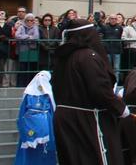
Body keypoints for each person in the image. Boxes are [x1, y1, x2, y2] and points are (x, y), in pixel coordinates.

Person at [53, 19, 129, 165]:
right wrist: (120, 108)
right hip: (86, 118)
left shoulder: (63, 57)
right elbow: (99, 89)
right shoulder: (87, 56)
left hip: (65, 117)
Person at [15, 70, 57, 165]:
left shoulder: (28, 93)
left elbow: (22, 111)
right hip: (45, 123)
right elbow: (53, 109)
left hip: (31, 124)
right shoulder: (48, 93)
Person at [15, 13, 40, 87]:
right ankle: (21, 85)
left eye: (31, 20)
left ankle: (30, 85)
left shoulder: (35, 27)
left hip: (32, 50)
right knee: (22, 68)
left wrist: (25, 37)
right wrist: (29, 36)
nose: (29, 22)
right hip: (23, 50)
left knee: (31, 68)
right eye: (28, 20)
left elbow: (36, 37)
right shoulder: (21, 27)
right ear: (25, 21)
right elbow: (17, 36)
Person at [100, 13, 124, 77]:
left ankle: (116, 83)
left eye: (115, 19)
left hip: (117, 51)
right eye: (112, 18)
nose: (113, 20)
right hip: (107, 50)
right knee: (108, 68)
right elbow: (98, 30)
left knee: (116, 68)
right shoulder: (105, 27)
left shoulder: (119, 28)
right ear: (109, 19)